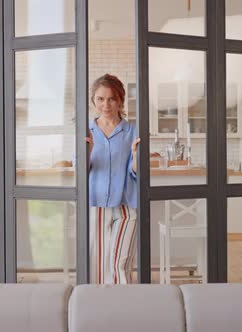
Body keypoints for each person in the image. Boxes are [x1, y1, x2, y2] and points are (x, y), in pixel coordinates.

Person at [85, 73, 140, 284]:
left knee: (120, 262)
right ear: (93, 101)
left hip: (126, 204)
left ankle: (122, 309)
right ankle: (98, 309)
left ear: (120, 101)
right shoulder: (86, 131)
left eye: (111, 99)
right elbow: (81, 171)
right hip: (95, 204)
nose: (106, 104)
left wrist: (136, 157)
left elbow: (134, 172)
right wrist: (87, 152)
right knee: (98, 264)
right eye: (100, 99)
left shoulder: (132, 130)